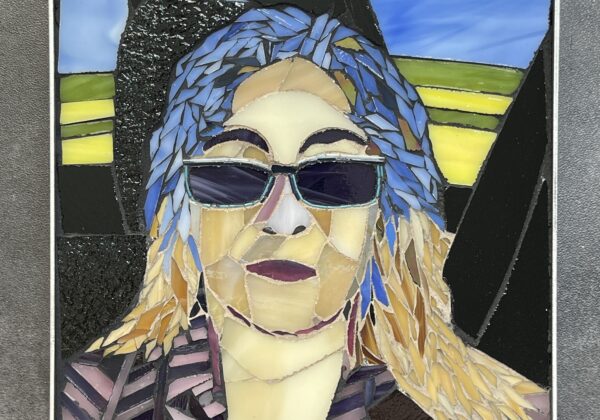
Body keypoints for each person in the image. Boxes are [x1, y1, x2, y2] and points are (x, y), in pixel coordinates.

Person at [60, 6, 549, 420]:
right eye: (234, 175)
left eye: (335, 178)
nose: (284, 217)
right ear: (181, 213)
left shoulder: (493, 410)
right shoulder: (91, 401)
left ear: (388, 218)